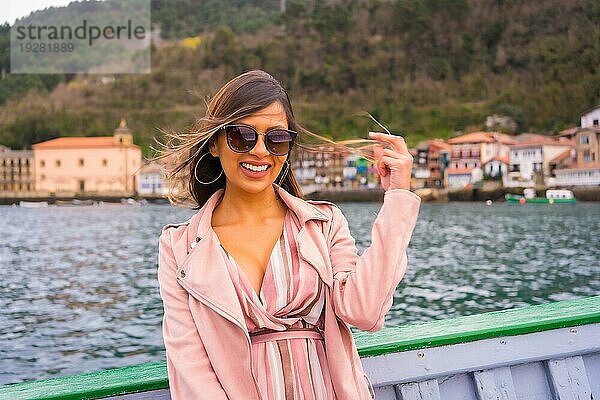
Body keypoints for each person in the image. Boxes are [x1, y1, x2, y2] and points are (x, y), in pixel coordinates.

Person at [156, 69, 421, 400]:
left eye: (276, 139)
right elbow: (191, 368)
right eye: (242, 136)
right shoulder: (178, 249)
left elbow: (365, 310)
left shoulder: (324, 225)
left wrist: (397, 198)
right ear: (214, 143)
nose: (261, 151)